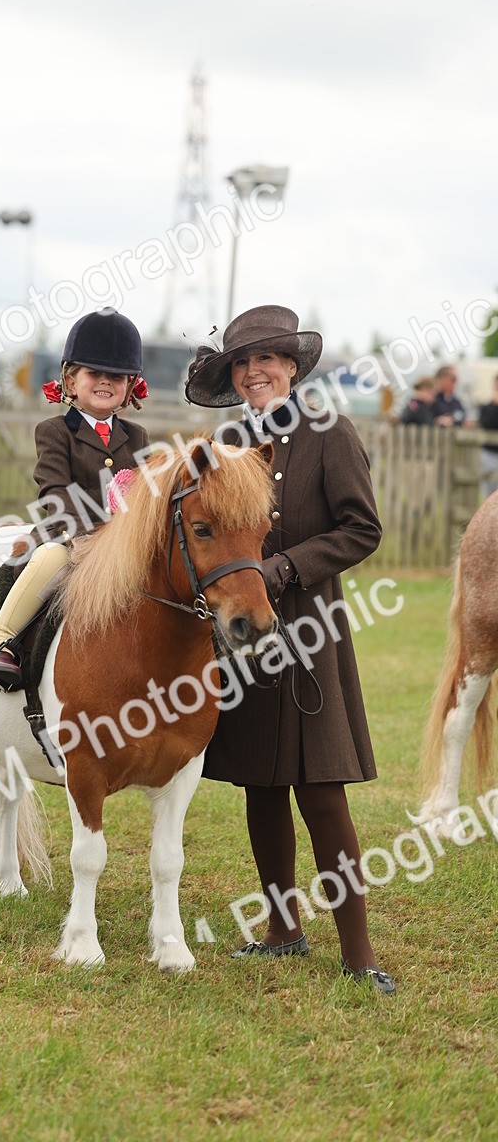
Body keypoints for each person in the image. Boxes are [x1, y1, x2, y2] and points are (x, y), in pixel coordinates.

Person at [184, 304, 395, 995]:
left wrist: (284, 569)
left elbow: (362, 529)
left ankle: (358, 952)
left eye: (267, 361)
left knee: (322, 793)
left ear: (293, 368)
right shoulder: (229, 443)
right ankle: (283, 931)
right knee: (260, 785)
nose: (254, 373)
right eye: (243, 363)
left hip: (309, 632)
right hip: (245, 636)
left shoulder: (330, 432)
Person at [0, 308, 150, 691]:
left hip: (124, 543)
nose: (105, 382)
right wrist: (102, 515)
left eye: (116, 376)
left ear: (130, 384)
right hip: (67, 534)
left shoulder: (137, 437)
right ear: (70, 380)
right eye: (94, 374)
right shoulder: (54, 431)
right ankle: (1, 642)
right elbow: (54, 493)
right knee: (50, 559)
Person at [478, 374, 498, 499]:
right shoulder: (487, 408)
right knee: (489, 495)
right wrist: (495, 406)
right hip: (490, 454)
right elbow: (485, 424)